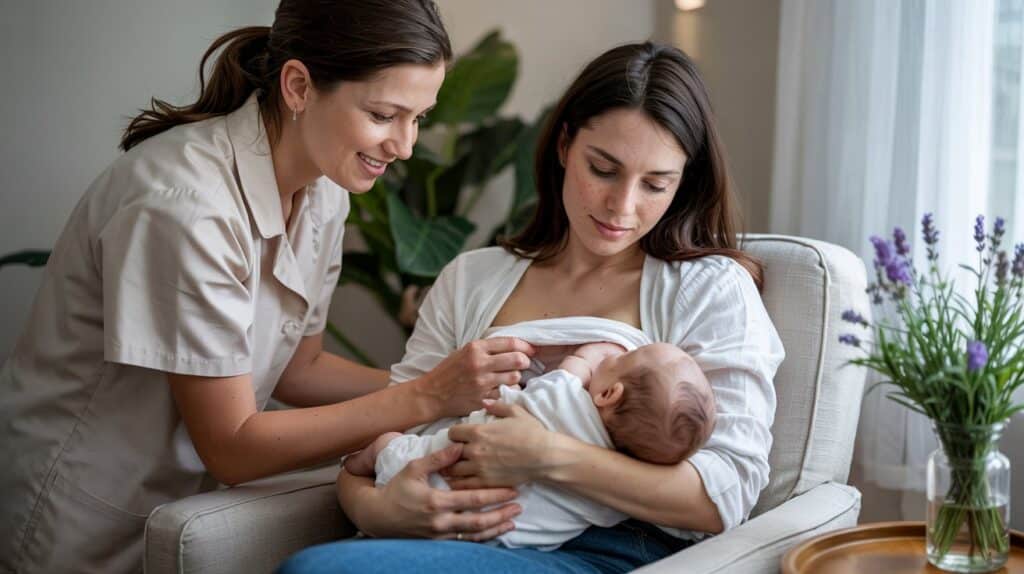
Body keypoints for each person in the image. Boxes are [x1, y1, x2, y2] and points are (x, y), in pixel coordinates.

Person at [0, 2, 537, 572]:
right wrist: (425, 397)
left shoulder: (325, 190)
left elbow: (298, 369)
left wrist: (452, 391)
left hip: (177, 510)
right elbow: (232, 446)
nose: (404, 146)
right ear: (299, 86)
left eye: (418, 118)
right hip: (79, 516)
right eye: (384, 115)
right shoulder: (187, 208)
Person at [278, 41, 786, 574]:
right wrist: (378, 508)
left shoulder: (707, 288)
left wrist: (544, 455)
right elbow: (390, 428)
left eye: (656, 184)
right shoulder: (471, 279)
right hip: (448, 533)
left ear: (682, 184)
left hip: (605, 552)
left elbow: (724, 495)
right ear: (565, 145)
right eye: (604, 169)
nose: (623, 206)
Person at [344, 318, 717, 550]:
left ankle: (363, 461)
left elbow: (553, 382)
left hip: (430, 478)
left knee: (388, 445)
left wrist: (588, 358)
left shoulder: (564, 400)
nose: (611, 357)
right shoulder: (612, 494)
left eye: (619, 360)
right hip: (503, 538)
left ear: (608, 393)